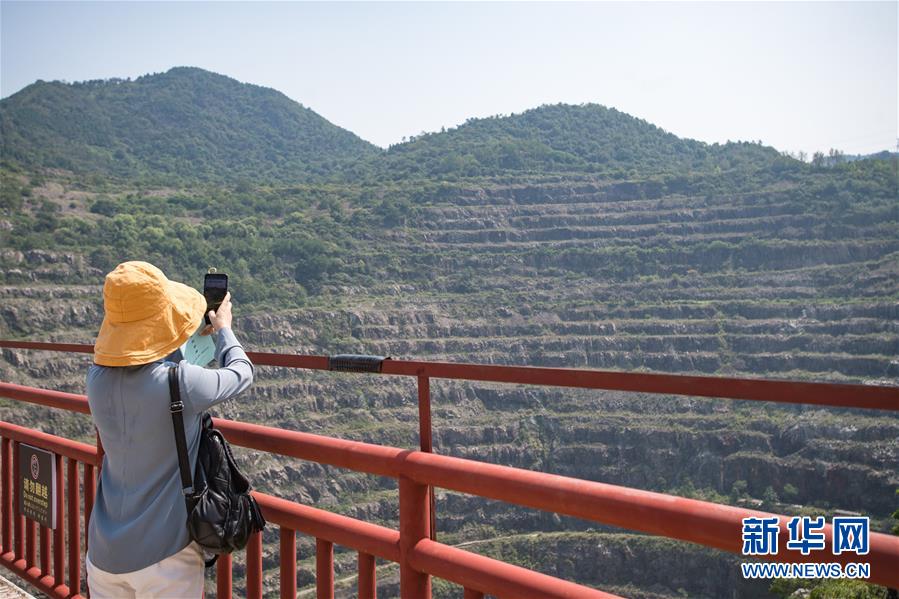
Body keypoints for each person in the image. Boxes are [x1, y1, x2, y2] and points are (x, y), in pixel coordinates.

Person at [85, 261, 254, 598]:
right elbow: (242, 373)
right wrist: (223, 329)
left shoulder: (96, 379)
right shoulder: (182, 383)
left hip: (104, 553)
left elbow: (146, 366)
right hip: (165, 556)